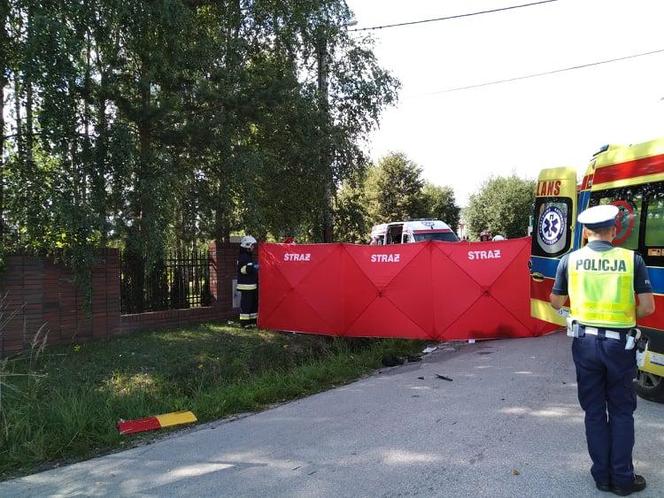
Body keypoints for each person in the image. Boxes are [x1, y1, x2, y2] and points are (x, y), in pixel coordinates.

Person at [549, 204, 655, 496]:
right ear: (614, 231)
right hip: (620, 346)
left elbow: (556, 303)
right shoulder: (632, 260)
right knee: (621, 411)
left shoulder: (569, 260)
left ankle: (602, 478)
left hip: (584, 344)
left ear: (585, 232)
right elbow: (647, 307)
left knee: (594, 411)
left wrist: (575, 313)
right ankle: (623, 479)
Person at [237, 235, 259, 328]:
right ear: (247, 245)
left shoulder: (248, 256)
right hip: (246, 286)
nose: (253, 247)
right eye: (252, 245)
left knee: (253, 304)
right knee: (246, 305)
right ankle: (245, 323)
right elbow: (243, 270)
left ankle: (252, 321)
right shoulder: (243, 257)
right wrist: (253, 267)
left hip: (251, 285)